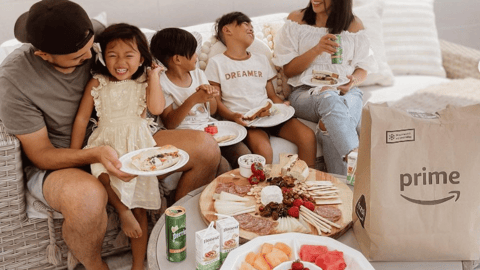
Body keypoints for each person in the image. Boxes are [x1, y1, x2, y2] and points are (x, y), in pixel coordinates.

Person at [0, 1, 220, 269]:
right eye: (79, 57)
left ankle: (168, 234)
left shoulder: (93, 39)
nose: (92, 57)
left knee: (206, 148)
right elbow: (42, 155)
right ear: (44, 55)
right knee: (87, 198)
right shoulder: (15, 79)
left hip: (131, 136)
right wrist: (92, 154)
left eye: (93, 47)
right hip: (65, 157)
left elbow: (139, 64)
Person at [70, 23, 163, 270]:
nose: (120, 61)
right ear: (102, 56)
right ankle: (122, 211)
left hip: (137, 144)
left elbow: (156, 109)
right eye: (112, 55)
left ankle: (137, 265)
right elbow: (81, 119)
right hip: (106, 142)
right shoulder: (98, 83)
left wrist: (154, 76)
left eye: (129, 55)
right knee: (102, 172)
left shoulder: (144, 81)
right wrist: (74, 154)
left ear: (141, 57)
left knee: (140, 204)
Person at [272, 0, 377, 175]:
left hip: (347, 92)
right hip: (306, 93)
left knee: (330, 125)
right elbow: (289, 71)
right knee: (329, 97)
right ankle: (357, 159)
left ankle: (342, 192)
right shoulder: (297, 20)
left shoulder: (354, 25)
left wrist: (353, 81)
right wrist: (317, 49)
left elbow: (363, 68)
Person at [205, 12, 316, 166]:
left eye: (252, 25)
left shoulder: (261, 59)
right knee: (264, 151)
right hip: (247, 122)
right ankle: (266, 187)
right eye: (244, 24)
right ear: (227, 30)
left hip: (271, 115)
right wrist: (233, 116)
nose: (251, 28)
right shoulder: (216, 63)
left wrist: (282, 105)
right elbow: (217, 103)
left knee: (307, 137)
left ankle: (304, 185)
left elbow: (272, 95)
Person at [150, 27, 251, 169]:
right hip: (187, 135)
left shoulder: (198, 74)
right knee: (222, 166)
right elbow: (170, 124)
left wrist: (209, 97)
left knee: (244, 155)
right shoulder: (162, 83)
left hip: (210, 129)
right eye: (192, 53)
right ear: (177, 59)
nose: (197, 56)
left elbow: (213, 110)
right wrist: (193, 99)